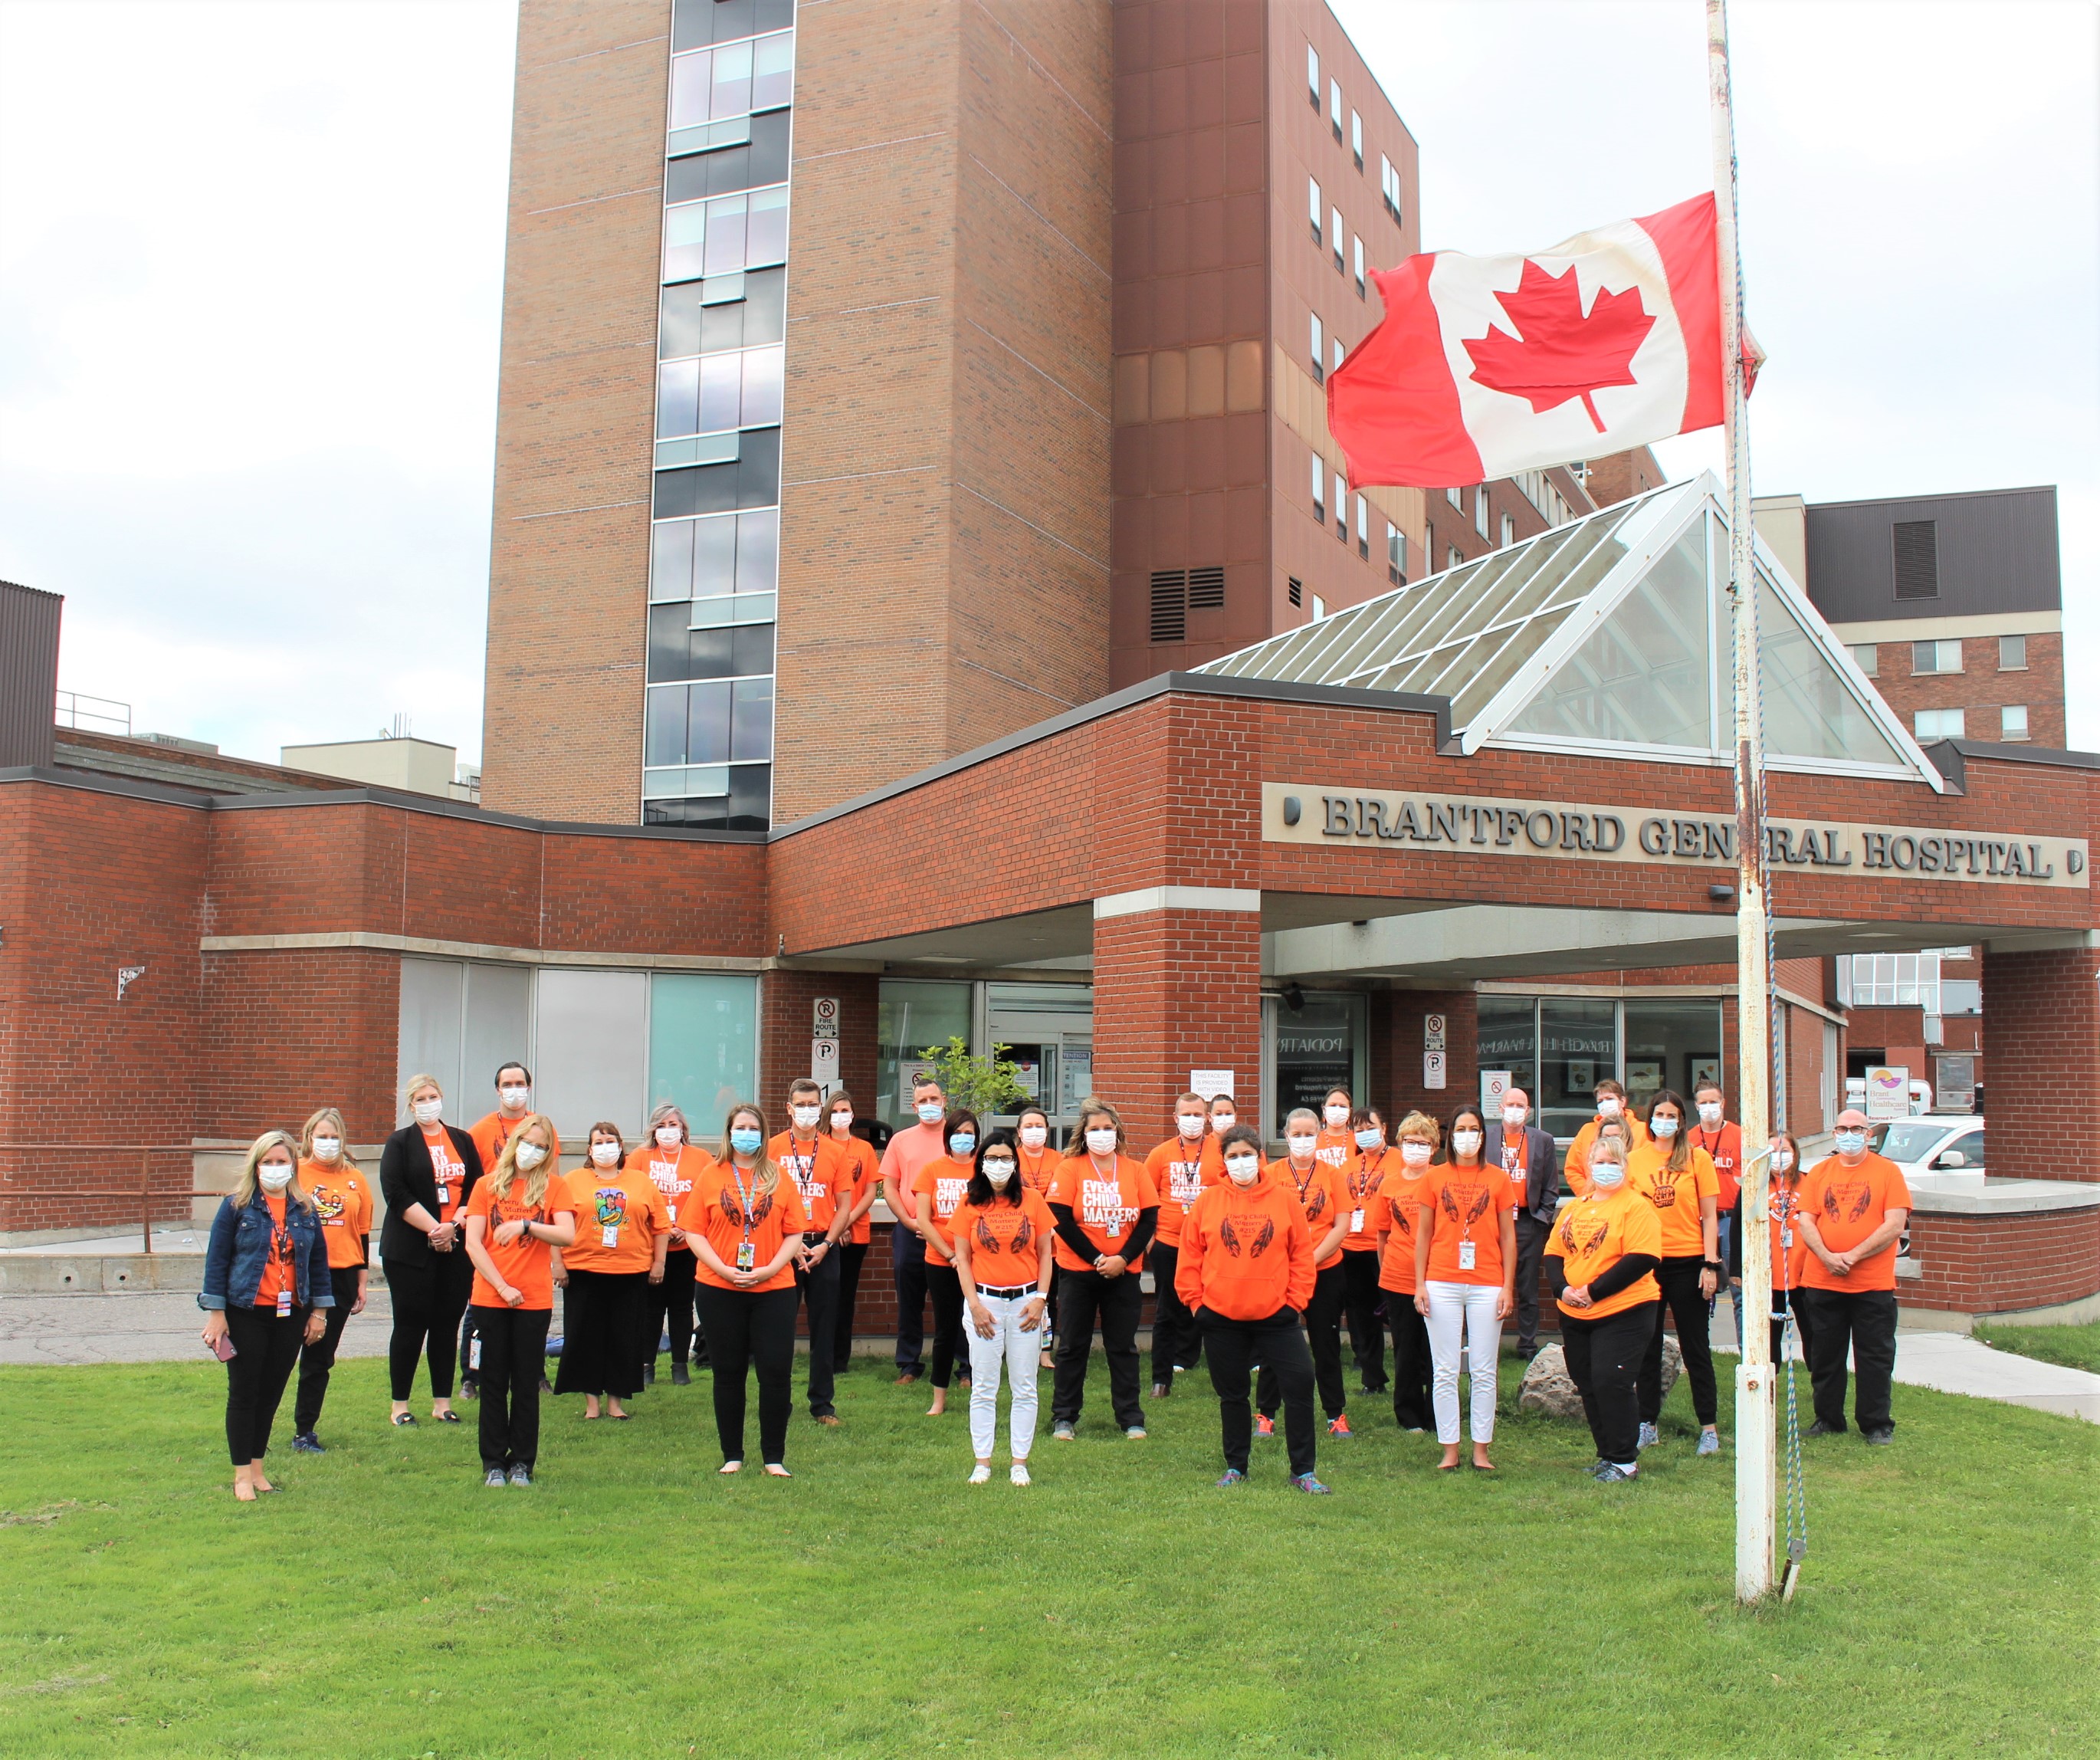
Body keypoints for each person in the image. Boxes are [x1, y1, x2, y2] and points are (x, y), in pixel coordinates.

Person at [1177, 1123, 1326, 1493]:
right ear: (1223, 1162)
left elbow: (1302, 1258)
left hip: (1278, 1317)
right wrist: (1198, 1306)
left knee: (1300, 1384)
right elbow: (1190, 1258)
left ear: (1260, 1157)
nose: (1240, 1162)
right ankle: (1236, 1466)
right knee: (1233, 1394)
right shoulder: (1208, 1201)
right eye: (1232, 1156)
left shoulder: (1285, 1199)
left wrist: (1294, 1304)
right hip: (1221, 1317)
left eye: (1247, 1155)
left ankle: (1303, 1471)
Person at [199, 1131, 333, 1500]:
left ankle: (258, 1469)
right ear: (256, 1166)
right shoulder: (236, 1207)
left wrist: (319, 1312)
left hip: (290, 1315)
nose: (276, 1169)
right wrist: (216, 1314)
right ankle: (241, 1474)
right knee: (245, 1392)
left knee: (271, 1393)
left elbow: (320, 1264)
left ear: (294, 1164)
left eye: (282, 1162)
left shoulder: (305, 1210)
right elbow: (217, 1264)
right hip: (246, 1313)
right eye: (268, 1162)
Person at [679, 1105, 810, 1475]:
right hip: (719, 1287)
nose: (747, 1134)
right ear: (729, 1132)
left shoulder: (779, 1176)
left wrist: (770, 1268)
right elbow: (694, 1231)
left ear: (764, 1134)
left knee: (775, 1372)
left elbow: (794, 1232)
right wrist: (723, 1269)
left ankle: (774, 1457)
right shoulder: (710, 1175)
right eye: (741, 1127)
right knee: (729, 1372)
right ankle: (732, 1455)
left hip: (774, 1288)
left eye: (754, 1128)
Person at [462, 1114, 576, 1486]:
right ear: (515, 1141)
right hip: (491, 1297)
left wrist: (527, 1225)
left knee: (526, 1383)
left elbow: (567, 1235)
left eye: (543, 1146)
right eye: (530, 1142)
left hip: (534, 1300)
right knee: (493, 1381)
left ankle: (522, 1463)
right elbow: (474, 1243)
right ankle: (493, 1462)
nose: (534, 1151)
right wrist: (502, 1287)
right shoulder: (486, 1186)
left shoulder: (554, 1187)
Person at [1544, 1134, 1662, 1483]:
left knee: (1613, 1381)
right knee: (1589, 1382)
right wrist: (1563, 1290)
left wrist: (1594, 1291)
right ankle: (1608, 1454)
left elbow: (1642, 1258)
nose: (1606, 1169)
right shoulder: (1575, 1207)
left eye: (1614, 1163)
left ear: (1625, 1168)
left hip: (1625, 1310)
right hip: (1576, 1312)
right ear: (1588, 1166)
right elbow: (1553, 1253)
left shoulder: (1636, 1206)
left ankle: (1625, 1461)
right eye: (1600, 1162)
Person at [1795, 1108, 1911, 1445]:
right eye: (1843, 1128)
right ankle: (1828, 1418)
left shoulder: (1888, 1172)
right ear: (1834, 1133)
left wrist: (1852, 1256)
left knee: (1874, 1355)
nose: (1849, 1134)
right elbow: (1806, 1221)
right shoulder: (1819, 1172)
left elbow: (1894, 1225)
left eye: (1857, 1128)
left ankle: (1876, 1423)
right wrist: (1827, 1257)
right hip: (1822, 1280)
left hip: (1872, 1284)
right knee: (1825, 1355)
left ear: (1869, 1134)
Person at [1046, 1097, 1159, 1441]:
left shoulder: (1135, 1170)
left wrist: (1122, 1259)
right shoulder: (1070, 1168)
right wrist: (1098, 1258)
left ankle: (1130, 1418)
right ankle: (1064, 1417)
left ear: (1118, 1131)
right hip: (1078, 1272)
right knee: (1072, 1346)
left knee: (1123, 1347)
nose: (1102, 1134)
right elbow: (1061, 1220)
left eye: (1108, 1128)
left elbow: (1148, 1220)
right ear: (1083, 1134)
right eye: (1095, 1129)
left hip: (1124, 1274)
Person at [1414, 1103, 1517, 1470]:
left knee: (1484, 1369)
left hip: (1487, 1283)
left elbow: (1508, 1237)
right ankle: (1450, 1449)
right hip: (1441, 1281)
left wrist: (1508, 1286)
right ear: (1450, 1136)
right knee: (1444, 1370)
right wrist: (1419, 1284)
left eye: (1473, 1129)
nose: (1467, 1136)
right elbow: (1423, 1234)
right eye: (1460, 1129)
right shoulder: (1433, 1177)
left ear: (1483, 1135)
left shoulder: (1499, 1180)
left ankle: (1481, 1450)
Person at [379, 1074, 485, 1427]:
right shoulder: (399, 1142)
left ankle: (442, 1402)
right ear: (411, 1105)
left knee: (446, 1325)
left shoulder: (462, 1140)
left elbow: (476, 1188)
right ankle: (400, 1406)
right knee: (410, 1326)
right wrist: (433, 1228)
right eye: (421, 1099)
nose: (428, 1103)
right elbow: (395, 1192)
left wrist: (452, 1226)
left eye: (433, 1096)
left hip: (456, 1246)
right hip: (410, 1250)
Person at [950, 1131, 1055, 1484]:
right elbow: (962, 1260)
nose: (999, 1165)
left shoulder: (1033, 1200)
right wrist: (975, 1305)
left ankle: (1019, 1462)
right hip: (986, 1304)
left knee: (1025, 1386)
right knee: (984, 1386)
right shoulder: (969, 1204)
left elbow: (1045, 1255)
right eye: (992, 1159)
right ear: (981, 1162)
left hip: (1026, 1304)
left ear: (1015, 1161)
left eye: (1005, 1158)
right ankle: (983, 1462)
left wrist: (1041, 1300)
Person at [1627, 1089, 1722, 1456]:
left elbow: (1710, 1216)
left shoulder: (1697, 1159)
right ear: (1649, 1118)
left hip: (1689, 1261)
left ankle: (1708, 1428)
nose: (1664, 1122)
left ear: (1682, 1121)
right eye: (1659, 1115)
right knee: (1646, 1345)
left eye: (1671, 1116)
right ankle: (1647, 1422)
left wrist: (1710, 1264)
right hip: (1648, 1263)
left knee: (1696, 1346)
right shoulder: (1635, 1160)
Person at [553, 1123, 668, 1421]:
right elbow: (554, 1224)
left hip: (631, 1272)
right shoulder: (573, 1180)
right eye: (598, 1142)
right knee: (585, 1337)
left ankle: (616, 1402)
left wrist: (659, 1263)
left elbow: (661, 1226)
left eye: (610, 1141)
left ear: (620, 1146)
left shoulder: (641, 1181)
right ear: (590, 1151)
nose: (605, 1147)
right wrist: (558, 1263)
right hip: (583, 1271)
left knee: (625, 1338)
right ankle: (592, 1402)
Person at [463, 1063, 559, 1399]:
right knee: (477, 1316)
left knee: (530, 1326)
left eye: (520, 1083)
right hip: (491, 1221)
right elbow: (472, 1179)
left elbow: (554, 1194)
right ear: (498, 1089)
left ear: (529, 1087)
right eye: (508, 1083)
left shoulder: (545, 1129)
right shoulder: (480, 1131)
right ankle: (470, 1376)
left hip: (530, 1245)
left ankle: (535, 1375)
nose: (514, 1089)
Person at [1256, 1108, 1350, 1440]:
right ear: (1285, 1135)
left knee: (1326, 1344)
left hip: (1325, 1271)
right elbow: (1262, 1222)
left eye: (1309, 1133)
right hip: (1280, 1273)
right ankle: (1266, 1414)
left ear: (1320, 1133)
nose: (1303, 1140)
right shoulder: (1268, 1174)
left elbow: (1342, 1224)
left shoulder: (1333, 1175)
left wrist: (1310, 1259)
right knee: (1275, 1342)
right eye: (1296, 1134)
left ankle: (1335, 1415)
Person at [290, 1107, 372, 1453]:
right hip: (298, 1273)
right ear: (308, 1138)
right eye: (321, 1137)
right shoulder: (294, 1174)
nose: (328, 1143)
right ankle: (255, 1424)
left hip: (341, 1276)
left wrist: (362, 1283)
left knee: (320, 1357)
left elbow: (363, 1233)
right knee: (280, 1354)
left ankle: (305, 1430)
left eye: (334, 1137)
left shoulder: (356, 1178)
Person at [773, 1080, 852, 1426]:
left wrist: (826, 1244)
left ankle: (823, 1405)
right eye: (800, 1104)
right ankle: (779, 1401)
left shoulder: (835, 1151)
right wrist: (790, 1245)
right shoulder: (773, 1149)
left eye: (812, 1105)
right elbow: (763, 1202)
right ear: (789, 1108)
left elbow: (844, 1205)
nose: (807, 1111)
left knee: (824, 1329)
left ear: (820, 1109)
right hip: (783, 1248)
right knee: (778, 1329)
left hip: (823, 1247)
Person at [1143, 1092, 1218, 1398]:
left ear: (1207, 1118)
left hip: (1210, 1245)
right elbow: (1145, 1201)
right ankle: (1161, 1379)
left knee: (1212, 1306)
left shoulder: (1221, 1150)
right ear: (1175, 1119)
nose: (1192, 1120)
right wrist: (1150, 1244)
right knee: (1167, 1310)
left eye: (1198, 1114)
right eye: (1186, 1115)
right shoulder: (1160, 1154)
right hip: (1169, 1244)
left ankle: (1211, 1366)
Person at [632, 1102, 712, 1384]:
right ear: (653, 1130)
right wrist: (662, 1229)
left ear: (683, 1129)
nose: (667, 1131)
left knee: (681, 1307)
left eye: (673, 1125)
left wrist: (683, 1227)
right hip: (650, 1246)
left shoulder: (701, 1158)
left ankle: (680, 1366)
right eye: (661, 1126)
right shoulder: (639, 1158)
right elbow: (633, 1198)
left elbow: (706, 1198)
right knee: (651, 1309)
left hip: (687, 1244)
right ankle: (645, 1366)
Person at [911, 1107, 983, 1417]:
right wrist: (951, 1255)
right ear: (947, 1136)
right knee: (945, 1330)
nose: (963, 1139)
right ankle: (939, 1399)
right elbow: (924, 1220)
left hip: (980, 1263)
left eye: (969, 1134)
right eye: (958, 1133)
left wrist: (968, 1256)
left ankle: (980, 1390)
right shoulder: (932, 1170)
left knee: (980, 1328)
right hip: (940, 1262)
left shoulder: (983, 1171)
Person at [1369, 1111, 1439, 1432]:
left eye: (1422, 1143)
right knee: (1406, 1349)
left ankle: (1436, 1413)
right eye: (1410, 1142)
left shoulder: (1441, 1180)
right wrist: (1387, 1270)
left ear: (1434, 1148)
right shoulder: (1389, 1183)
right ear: (1400, 1144)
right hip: (1398, 1277)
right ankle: (1408, 1416)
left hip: (1438, 1277)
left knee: (1436, 1351)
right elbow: (1383, 1233)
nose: (1416, 1149)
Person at [880, 1075, 951, 1386]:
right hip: (911, 1231)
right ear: (913, 1106)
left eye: (934, 1099)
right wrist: (910, 1222)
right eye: (923, 1101)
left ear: (944, 1101)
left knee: (954, 1300)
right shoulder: (901, 1140)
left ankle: (963, 1367)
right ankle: (909, 1365)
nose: (929, 1105)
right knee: (909, 1299)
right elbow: (890, 1187)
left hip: (950, 1233)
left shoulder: (959, 1137)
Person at [1728, 1129, 1814, 1367]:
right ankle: (1769, 1385)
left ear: (1795, 1155)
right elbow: (1737, 1226)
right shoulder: (1753, 1186)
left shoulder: (1810, 1183)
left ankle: (1819, 1383)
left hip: (1804, 1273)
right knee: (1769, 1337)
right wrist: (1736, 1269)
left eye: (1784, 1151)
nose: (1779, 1156)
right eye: (1773, 1152)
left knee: (1813, 1331)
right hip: (1769, 1274)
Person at [1488, 1086, 1560, 1358]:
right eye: (1511, 1104)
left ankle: (1527, 1345)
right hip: (1493, 1222)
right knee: (1492, 1285)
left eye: (1522, 1105)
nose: (1516, 1110)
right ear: (1501, 1108)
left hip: (1527, 1221)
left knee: (1528, 1286)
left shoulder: (1543, 1140)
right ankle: (1489, 1342)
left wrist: (1541, 1219)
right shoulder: (1487, 1138)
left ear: (1528, 1111)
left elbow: (1551, 1186)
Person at [825, 1090, 881, 1378]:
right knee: (824, 1296)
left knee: (845, 1297)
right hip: (825, 1233)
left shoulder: (864, 1149)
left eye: (845, 1110)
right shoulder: (820, 1146)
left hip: (855, 1234)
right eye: (835, 1111)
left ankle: (840, 1360)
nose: (841, 1116)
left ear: (853, 1114)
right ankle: (821, 1354)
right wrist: (836, 1226)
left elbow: (870, 1192)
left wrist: (846, 1222)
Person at [1337, 1106, 1392, 1396]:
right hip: (1352, 1249)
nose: (1365, 1134)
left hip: (1386, 1250)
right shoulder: (1349, 1166)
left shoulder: (1398, 1160)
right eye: (1358, 1130)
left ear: (1383, 1128)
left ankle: (1415, 1373)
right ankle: (1373, 1379)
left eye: (1370, 1127)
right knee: (1360, 1317)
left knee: (1397, 1313)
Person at [1689, 1078, 1744, 1347]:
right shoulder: (1689, 1139)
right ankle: (1701, 1350)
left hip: (1731, 1220)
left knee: (1739, 1291)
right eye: (1704, 1103)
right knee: (1698, 1290)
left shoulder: (1740, 1135)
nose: (1709, 1107)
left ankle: (1748, 1352)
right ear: (1696, 1106)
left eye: (1714, 1102)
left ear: (1723, 1104)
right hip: (1699, 1222)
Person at [1014, 1105, 1063, 1368]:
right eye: (1029, 1127)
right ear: (1019, 1132)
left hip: (1052, 1243)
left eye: (1040, 1126)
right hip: (1020, 1243)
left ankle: (1045, 1350)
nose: (1035, 1132)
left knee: (1046, 1298)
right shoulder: (1011, 1158)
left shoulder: (1060, 1160)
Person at [1564, 1079, 1649, 1197]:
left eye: (1609, 1099)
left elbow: (1649, 1170)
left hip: (1631, 1203)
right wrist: (1588, 1195)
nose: (1605, 1104)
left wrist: (1633, 1199)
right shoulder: (1586, 1131)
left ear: (1622, 1101)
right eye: (1600, 1101)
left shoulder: (1643, 1131)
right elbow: (1573, 1169)